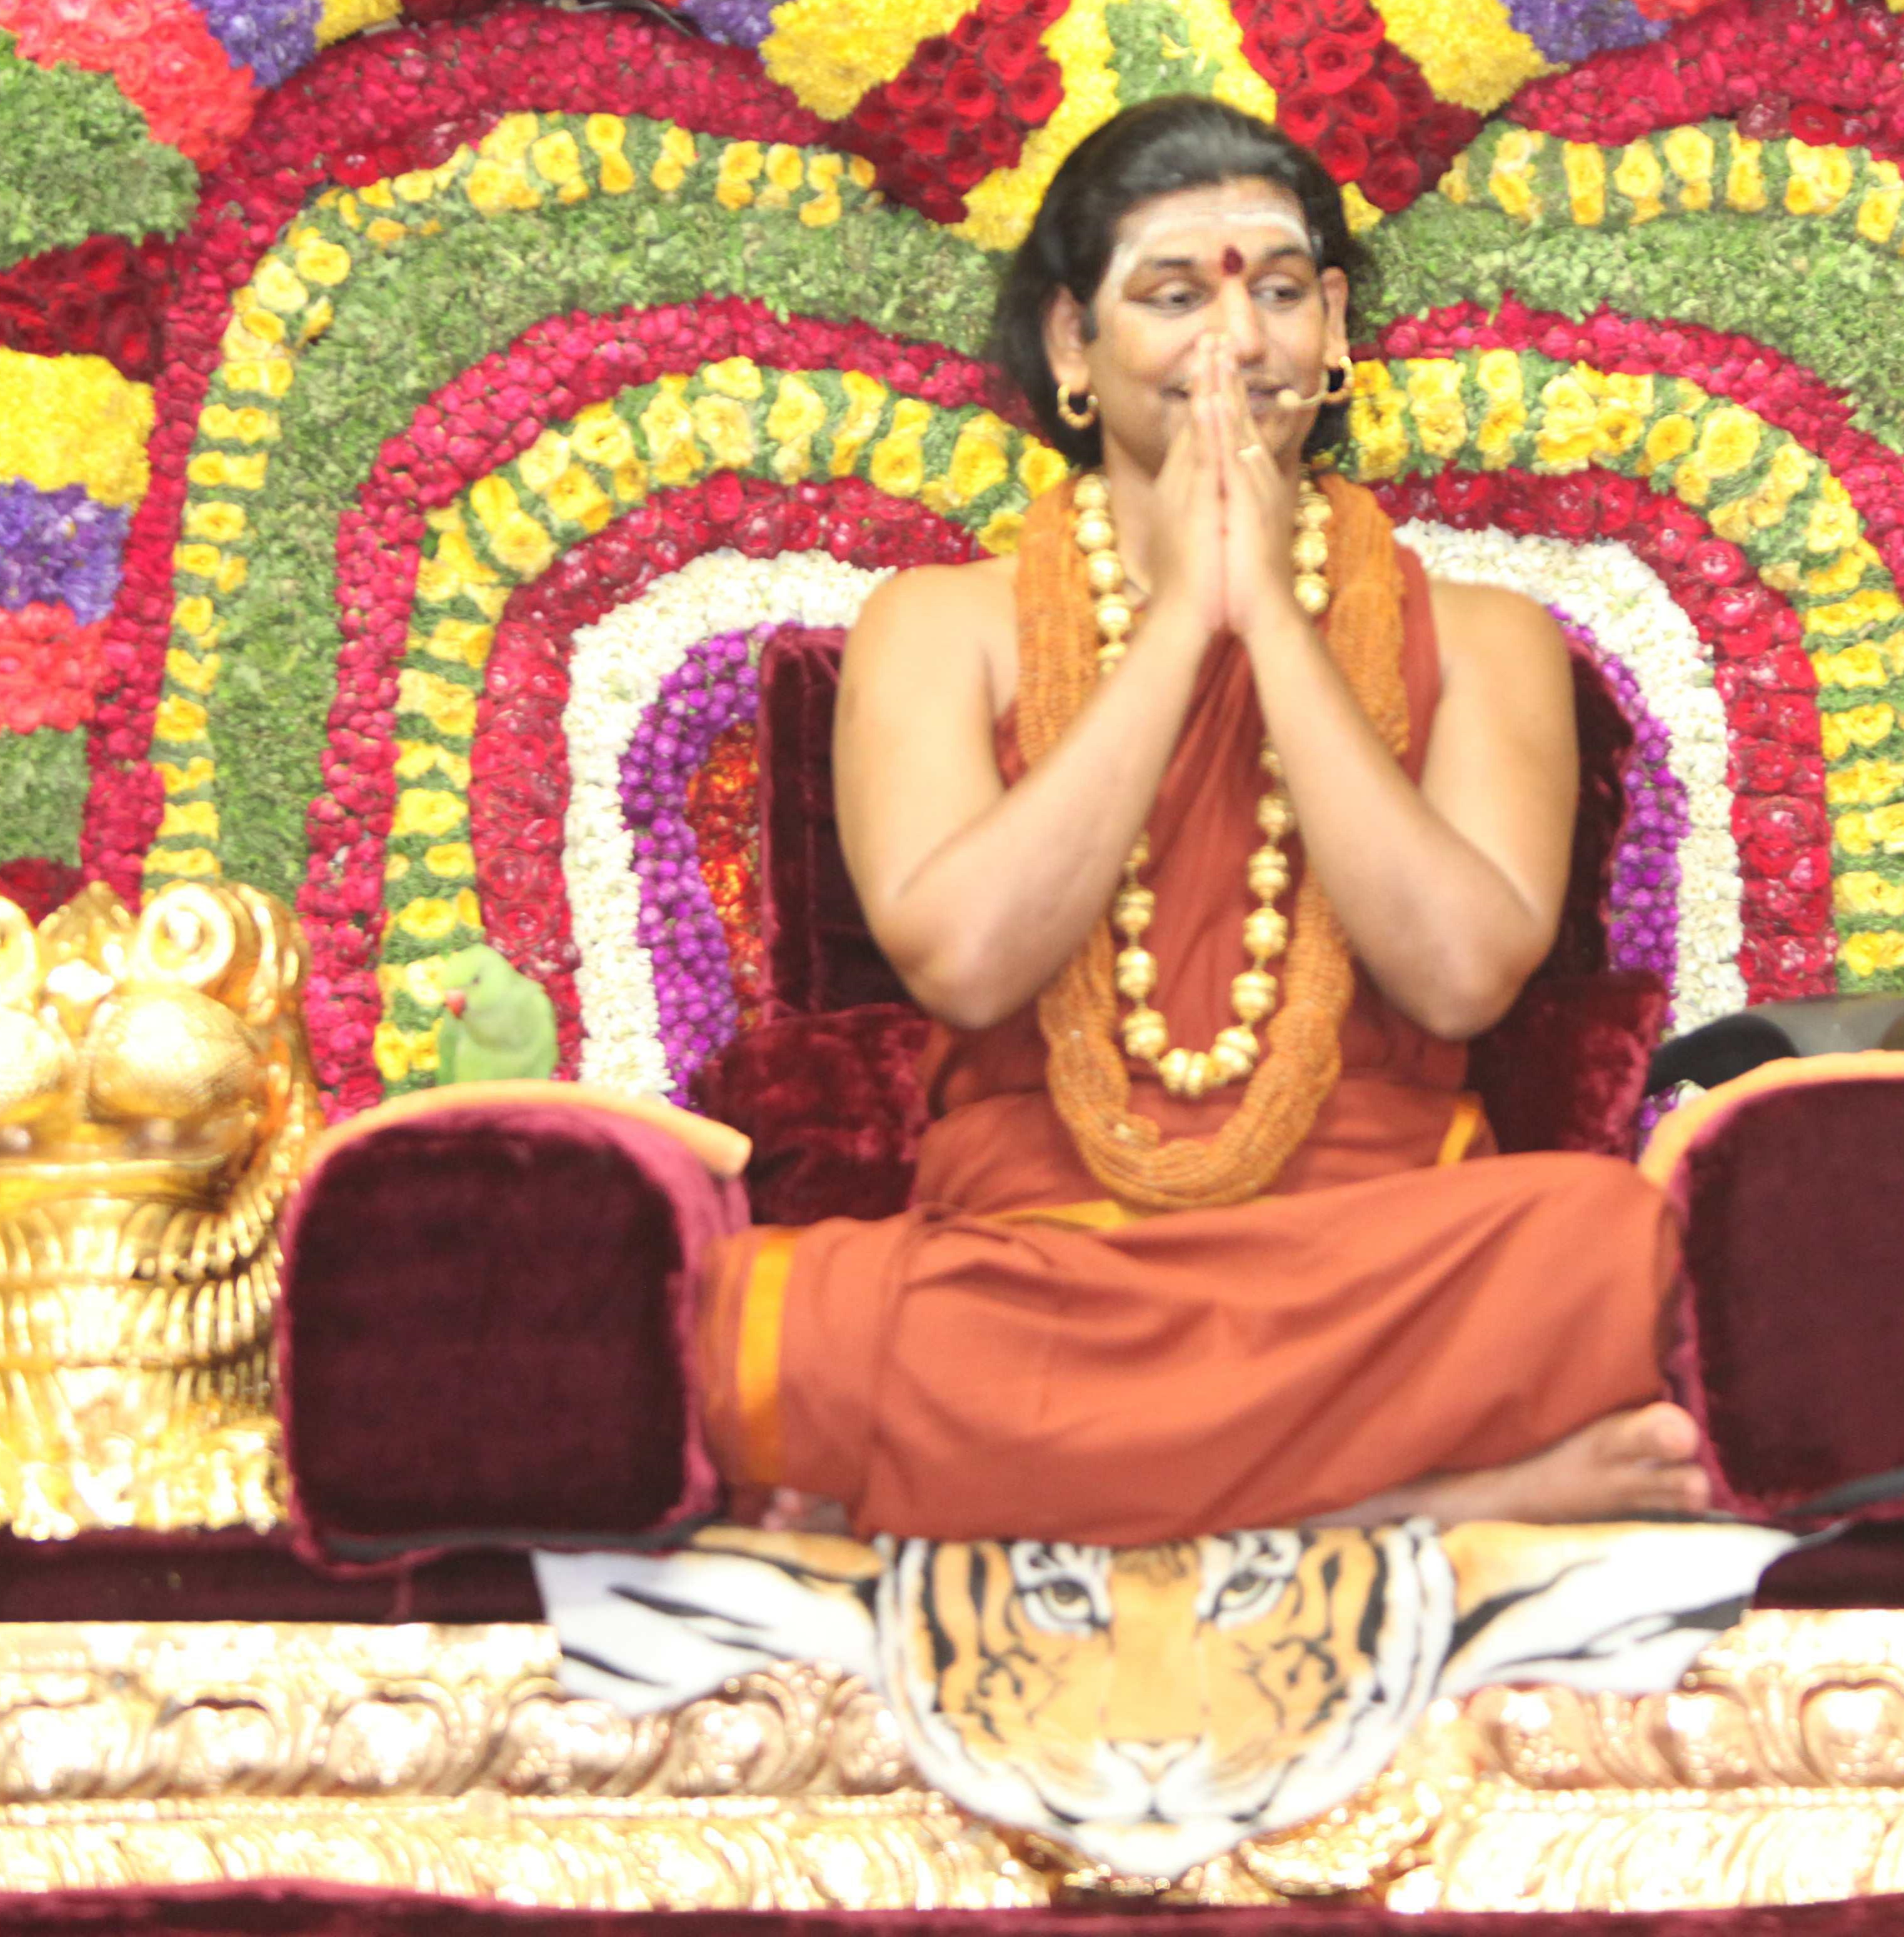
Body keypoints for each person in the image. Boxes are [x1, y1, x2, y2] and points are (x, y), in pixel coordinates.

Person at [698, 99, 1704, 1544]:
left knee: (1598, 1243)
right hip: (1036, 1265)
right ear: (1072, 344)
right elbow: (967, 963)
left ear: (1334, 325)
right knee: (758, 1326)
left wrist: (1277, 628)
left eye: (1279, 292)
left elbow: (1462, 977)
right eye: (1174, 297)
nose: (1236, 342)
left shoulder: (1488, 639)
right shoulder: (939, 626)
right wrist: (1180, 626)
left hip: (1381, 1262)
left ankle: (1053, 1497)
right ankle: (1423, 1504)